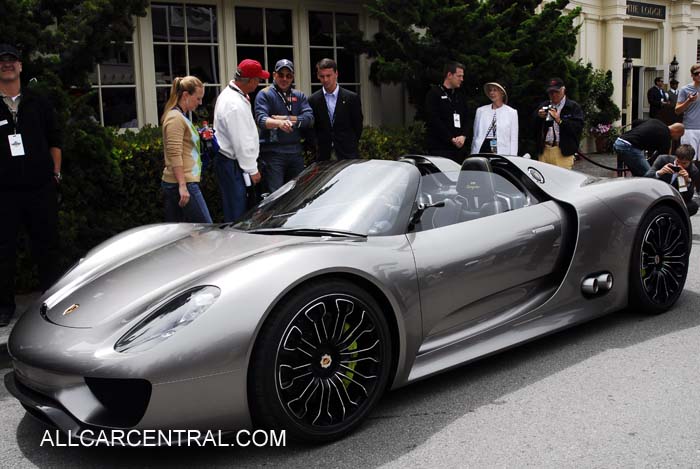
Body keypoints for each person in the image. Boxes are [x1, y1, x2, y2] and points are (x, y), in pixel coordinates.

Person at [0, 44, 62, 326]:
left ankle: (53, 301)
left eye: (12, 61)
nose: (7, 65)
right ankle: (4, 307)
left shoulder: (38, 102)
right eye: (2, 61)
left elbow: (55, 141)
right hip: (5, 193)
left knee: (47, 247)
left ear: (21, 66)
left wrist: (55, 174)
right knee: (4, 251)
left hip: (40, 189)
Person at [213, 59, 267, 222]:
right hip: (233, 164)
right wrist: (252, 169)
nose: (258, 83)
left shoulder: (232, 95)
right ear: (249, 80)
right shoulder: (234, 104)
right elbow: (241, 141)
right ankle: (236, 244)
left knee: (238, 208)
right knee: (238, 212)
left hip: (231, 162)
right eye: (257, 79)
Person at [254, 59, 314, 194]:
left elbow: (309, 119)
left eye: (289, 75)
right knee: (275, 195)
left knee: (298, 193)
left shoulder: (299, 95)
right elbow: (261, 119)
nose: (284, 79)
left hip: (295, 152)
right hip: (273, 153)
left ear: (293, 77)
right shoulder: (265, 94)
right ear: (274, 75)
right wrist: (279, 123)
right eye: (281, 75)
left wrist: (287, 119)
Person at [160, 75, 212, 223]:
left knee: (178, 234)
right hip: (183, 183)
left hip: (181, 182)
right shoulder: (175, 118)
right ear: (185, 95)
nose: (200, 102)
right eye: (198, 98)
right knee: (206, 229)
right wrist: (182, 186)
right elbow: (174, 153)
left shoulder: (178, 116)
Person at [308, 58, 364, 161]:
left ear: (336, 74)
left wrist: (350, 143)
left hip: (347, 153)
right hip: (324, 154)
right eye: (322, 76)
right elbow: (312, 128)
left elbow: (358, 126)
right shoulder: (313, 100)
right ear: (318, 76)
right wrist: (316, 145)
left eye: (328, 76)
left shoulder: (351, 98)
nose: (325, 80)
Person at [533, 77, 584, 169]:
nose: (553, 95)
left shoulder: (573, 107)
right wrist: (539, 117)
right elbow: (532, 127)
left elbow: (577, 129)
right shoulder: (544, 106)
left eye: (556, 92)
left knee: (562, 181)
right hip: (545, 149)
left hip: (562, 152)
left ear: (563, 90)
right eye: (551, 92)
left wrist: (559, 120)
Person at [424, 61, 469, 163]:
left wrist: (463, 136)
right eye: (459, 76)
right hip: (440, 149)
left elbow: (467, 118)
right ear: (449, 75)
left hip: (459, 150)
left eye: (462, 76)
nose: (462, 79)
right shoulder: (434, 94)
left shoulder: (460, 96)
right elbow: (433, 119)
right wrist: (450, 138)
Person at [612, 119, 684, 176]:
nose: (677, 139)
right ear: (676, 131)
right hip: (629, 147)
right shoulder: (666, 138)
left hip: (619, 141)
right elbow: (660, 158)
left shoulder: (656, 121)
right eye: (679, 136)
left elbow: (636, 122)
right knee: (650, 175)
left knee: (637, 170)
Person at [644, 144, 698, 216]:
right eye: (678, 161)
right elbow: (646, 177)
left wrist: (687, 182)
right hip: (657, 194)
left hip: (674, 199)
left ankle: (674, 220)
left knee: (693, 206)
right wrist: (659, 173)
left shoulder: (693, 170)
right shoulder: (663, 159)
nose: (680, 165)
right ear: (676, 157)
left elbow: (687, 198)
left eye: (684, 163)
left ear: (690, 161)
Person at [470, 82, 518, 155]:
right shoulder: (480, 111)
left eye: (495, 90)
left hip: (502, 152)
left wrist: (513, 157)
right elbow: (475, 135)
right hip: (482, 148)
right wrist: (473, 153)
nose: (492, 92)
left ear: (502, 93)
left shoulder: (512, 112)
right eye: (490, 90)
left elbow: (514, 139)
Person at [675, 63, 700, 192]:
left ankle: (698, 189)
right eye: (696, 73)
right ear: (692, 75)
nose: (699, 75)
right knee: (688, 159)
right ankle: (686, 187)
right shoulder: (685, 89)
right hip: (690, 128)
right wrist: (688, 101)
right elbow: (677, 110)